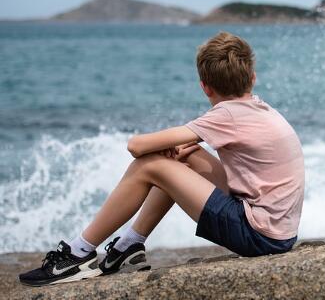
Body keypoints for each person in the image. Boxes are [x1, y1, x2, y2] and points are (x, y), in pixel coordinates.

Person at [19, 31, 305, 286]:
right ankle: (129, 245)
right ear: (252, 78)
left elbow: (136, 146)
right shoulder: (259, 108)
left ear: (205, 86)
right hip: (278, 233)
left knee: (150, 165)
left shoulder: (226, 114)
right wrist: (181, 150)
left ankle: (77, 254)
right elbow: (190, 143)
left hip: (257, 234)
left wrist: (166, 153)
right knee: (185, 155)